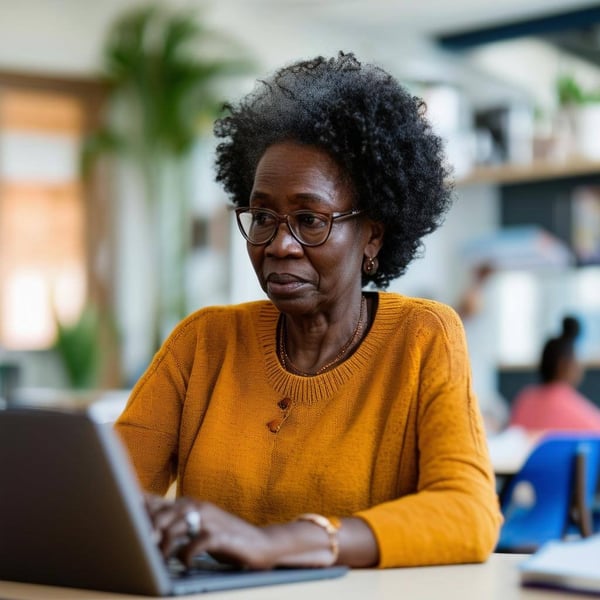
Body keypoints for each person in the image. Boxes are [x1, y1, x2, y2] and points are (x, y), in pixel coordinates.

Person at [115, 52, 502, 571]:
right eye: (263, 217)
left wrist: (280, 544)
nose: (280, 244)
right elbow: (104, 499)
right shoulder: (203, 343)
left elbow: (469, 514)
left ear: (372, 235)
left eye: (309, 219)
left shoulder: (421, 337)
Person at [510, 315, 600, 432]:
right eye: (578, 360)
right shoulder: (577, 410)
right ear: (564, 366)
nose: (581, 366)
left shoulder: (524, 401)